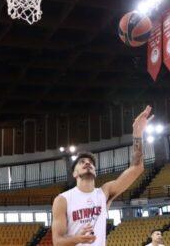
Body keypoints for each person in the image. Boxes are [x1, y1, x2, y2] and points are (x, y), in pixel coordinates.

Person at [52, 105, 153, 246]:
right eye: (82, 162)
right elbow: (57, 242)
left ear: (95, 171)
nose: (88, 163)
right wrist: (78, 239)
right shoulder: (62, 200)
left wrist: (137, 134)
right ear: (74, 173)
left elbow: (137, 168)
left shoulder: (104, 192)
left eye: (91, 163)